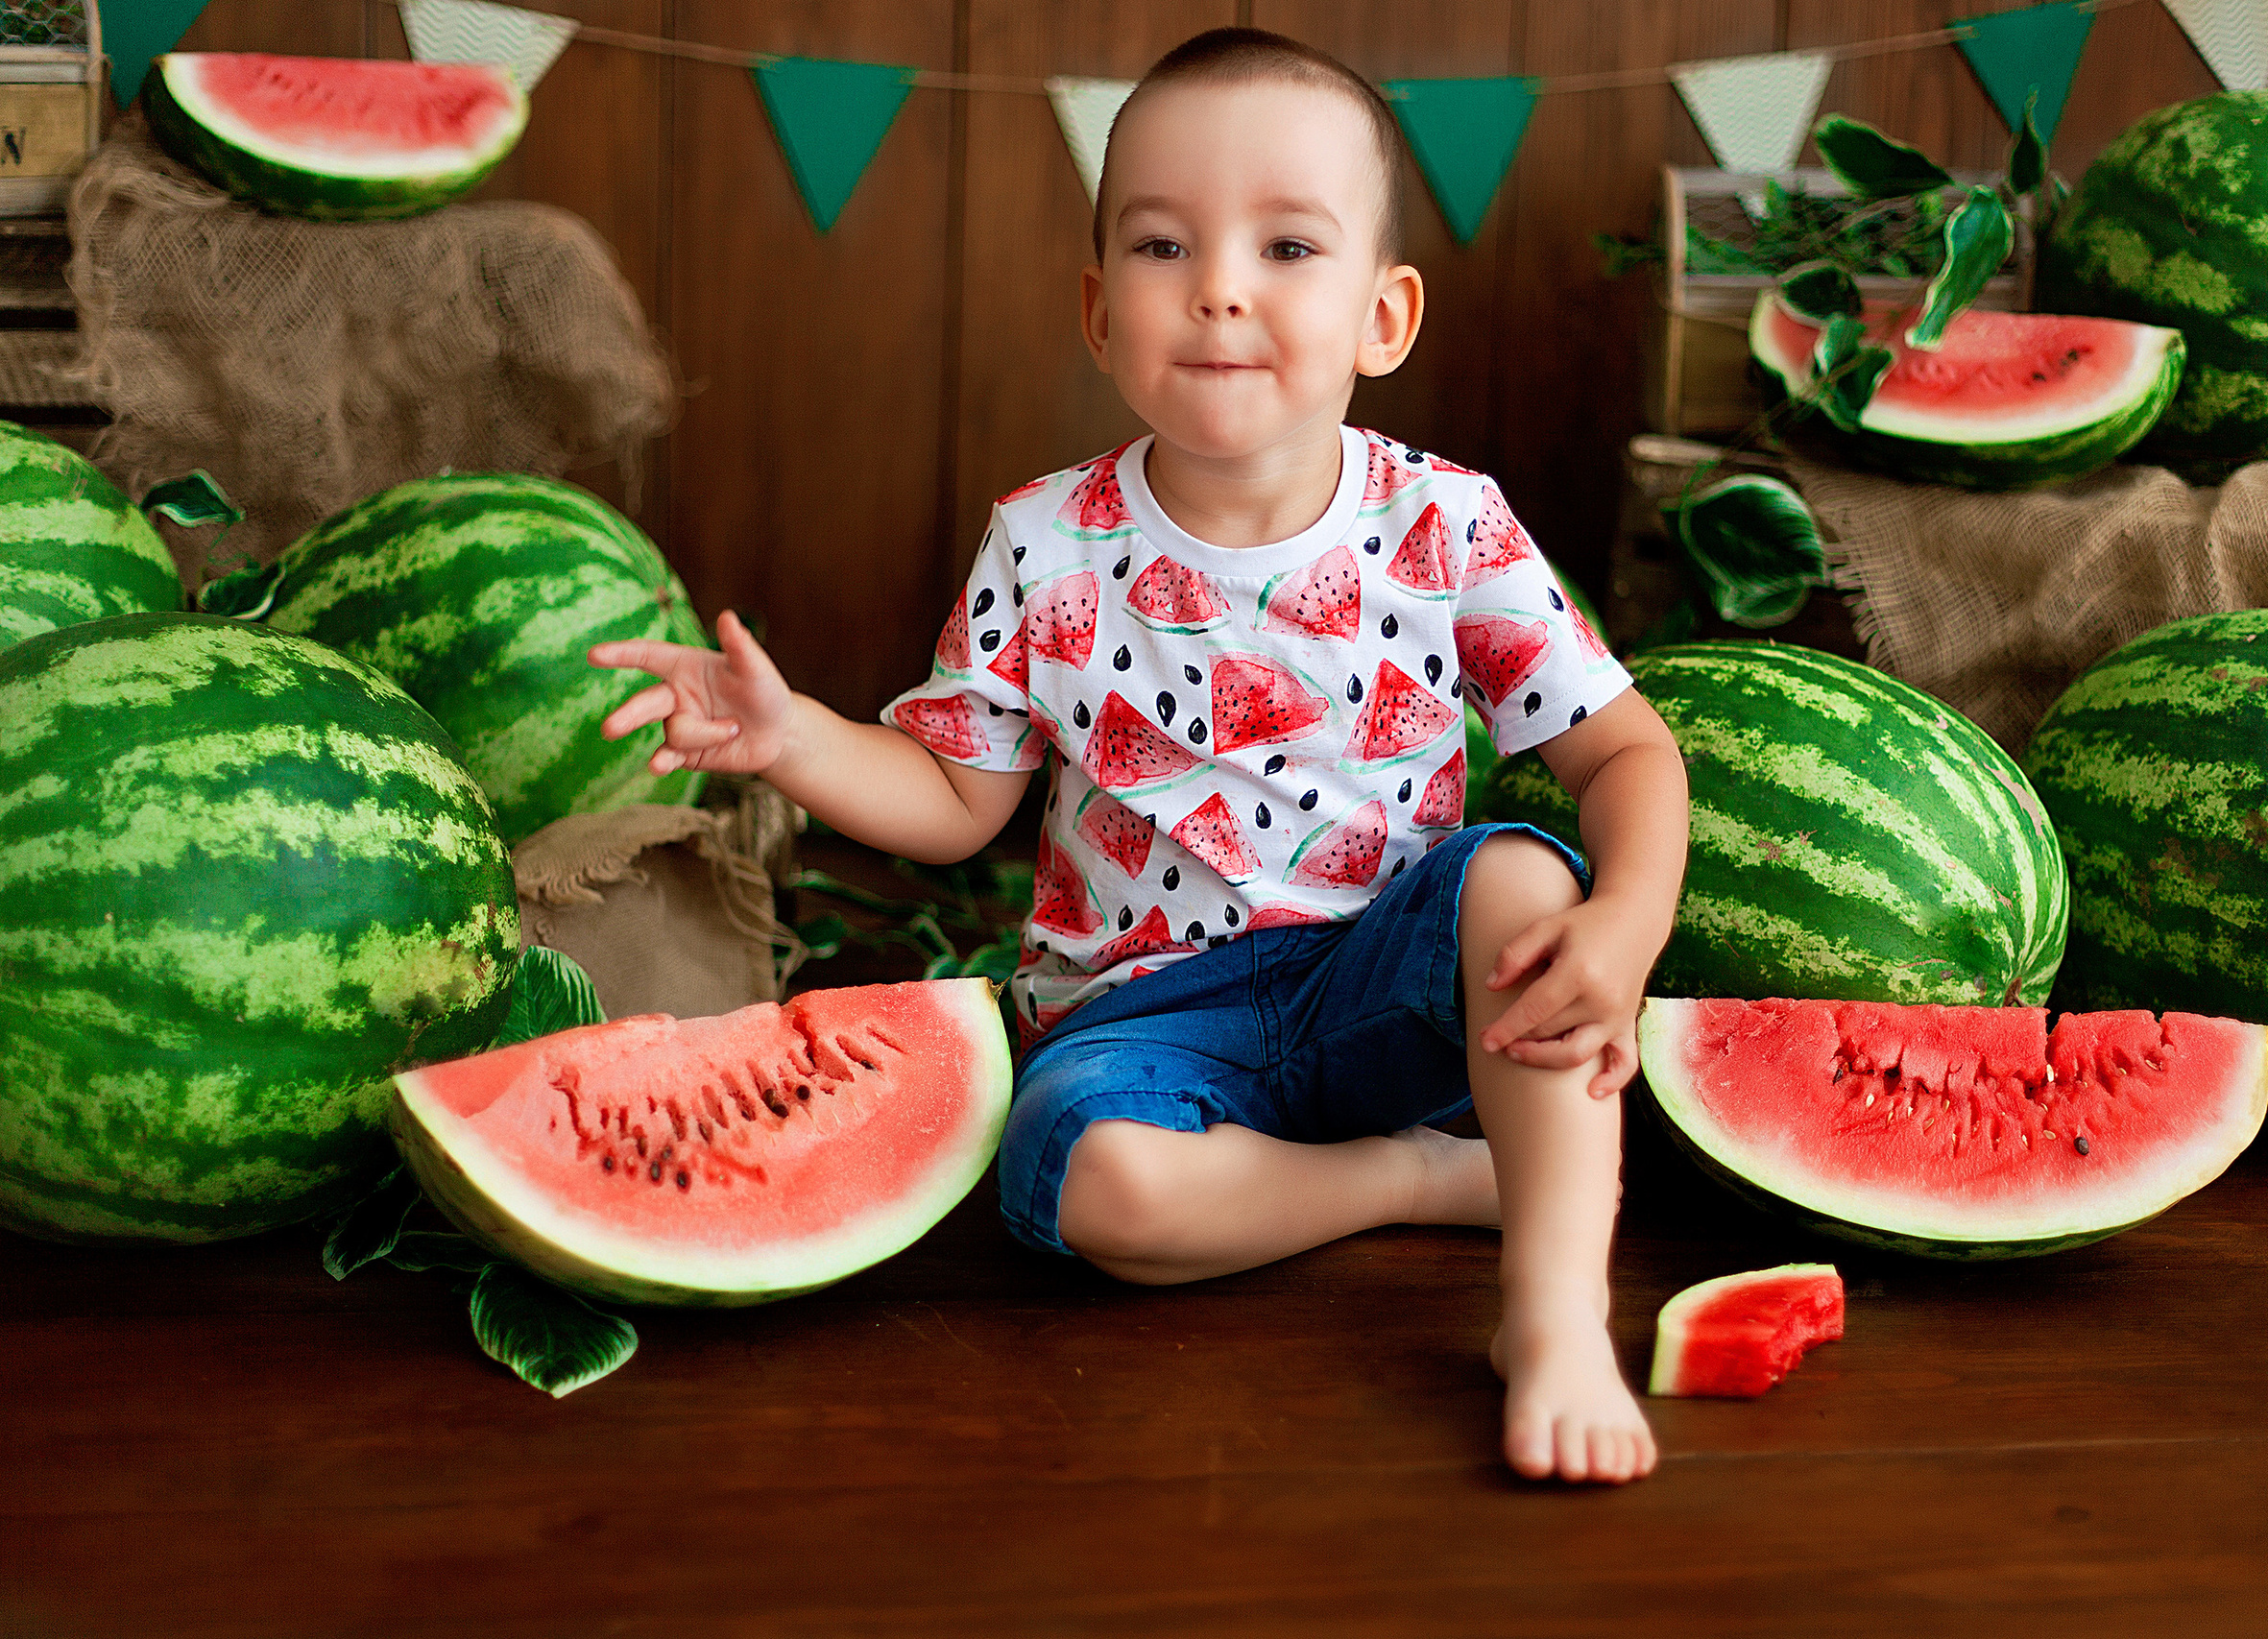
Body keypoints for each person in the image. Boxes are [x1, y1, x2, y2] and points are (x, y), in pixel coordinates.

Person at [590, 27, 1688, 1485]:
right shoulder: (1047, 544)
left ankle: (1551, 1321)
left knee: (1524, 891)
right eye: (1166, 246)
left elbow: (1627, 758)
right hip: (1149, 1024)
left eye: (1288, 245)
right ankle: (1415, 1180)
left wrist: (1627, 922)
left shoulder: (1446, 524)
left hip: (1388, 989)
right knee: (1083, 1182)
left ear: (1385, 314)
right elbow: (951, 802)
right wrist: (792, 742)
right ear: (1101, 313)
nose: (1222, 286)